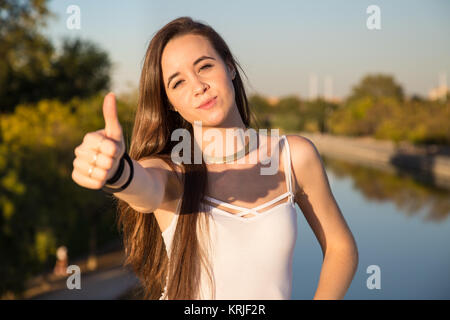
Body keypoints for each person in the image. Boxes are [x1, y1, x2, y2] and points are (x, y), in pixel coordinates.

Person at [71, 16, 358, 300]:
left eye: (205, 66)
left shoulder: (293, 156)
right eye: (178, 82)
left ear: (229, 66)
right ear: (170, 104)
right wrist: (118, 173)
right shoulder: (171, 170)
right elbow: (144, 188)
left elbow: (340, 246)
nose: (198, 86)